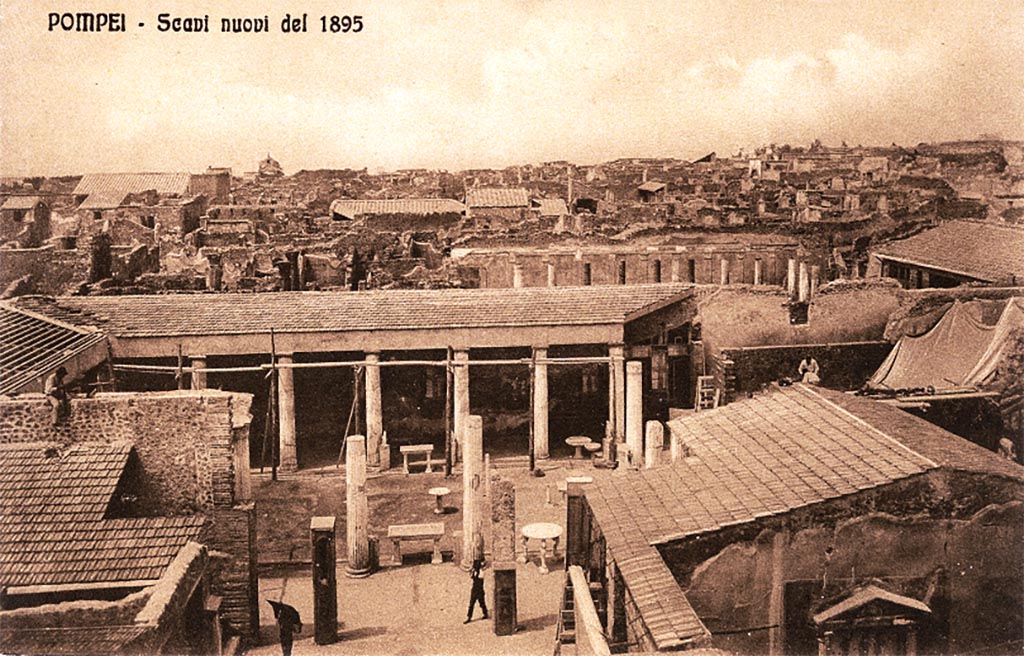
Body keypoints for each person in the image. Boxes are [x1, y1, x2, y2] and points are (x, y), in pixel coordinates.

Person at [464, 558, 488, 624]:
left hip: (479, 590)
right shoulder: (475, 571)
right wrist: (472, 572)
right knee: (471, 604)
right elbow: (471, 576)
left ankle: (485, 613)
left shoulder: (481, 572)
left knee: (482, 603)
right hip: (474, 589)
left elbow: (479, 579)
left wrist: (474, 572)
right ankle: (469, 617)